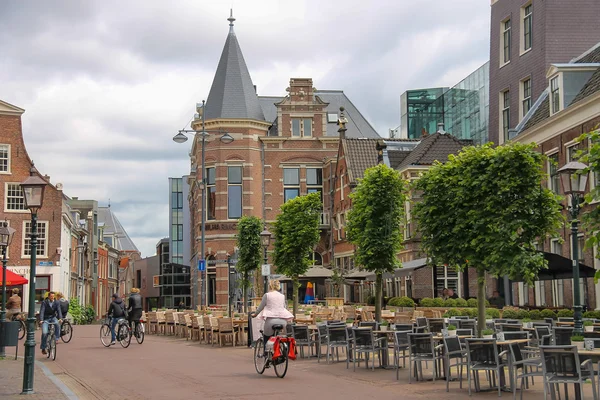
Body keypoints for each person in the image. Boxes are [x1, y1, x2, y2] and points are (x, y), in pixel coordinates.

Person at [251, 280, 293, 352]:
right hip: (282, 321)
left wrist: (255, 314)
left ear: (270, 286)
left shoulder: (267, 295)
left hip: (271, 321)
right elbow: (284, 307)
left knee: (266, 337)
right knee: (277, 335)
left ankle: (266, 354)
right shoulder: (282, 296)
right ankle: (279, 350)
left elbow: (260, 307)